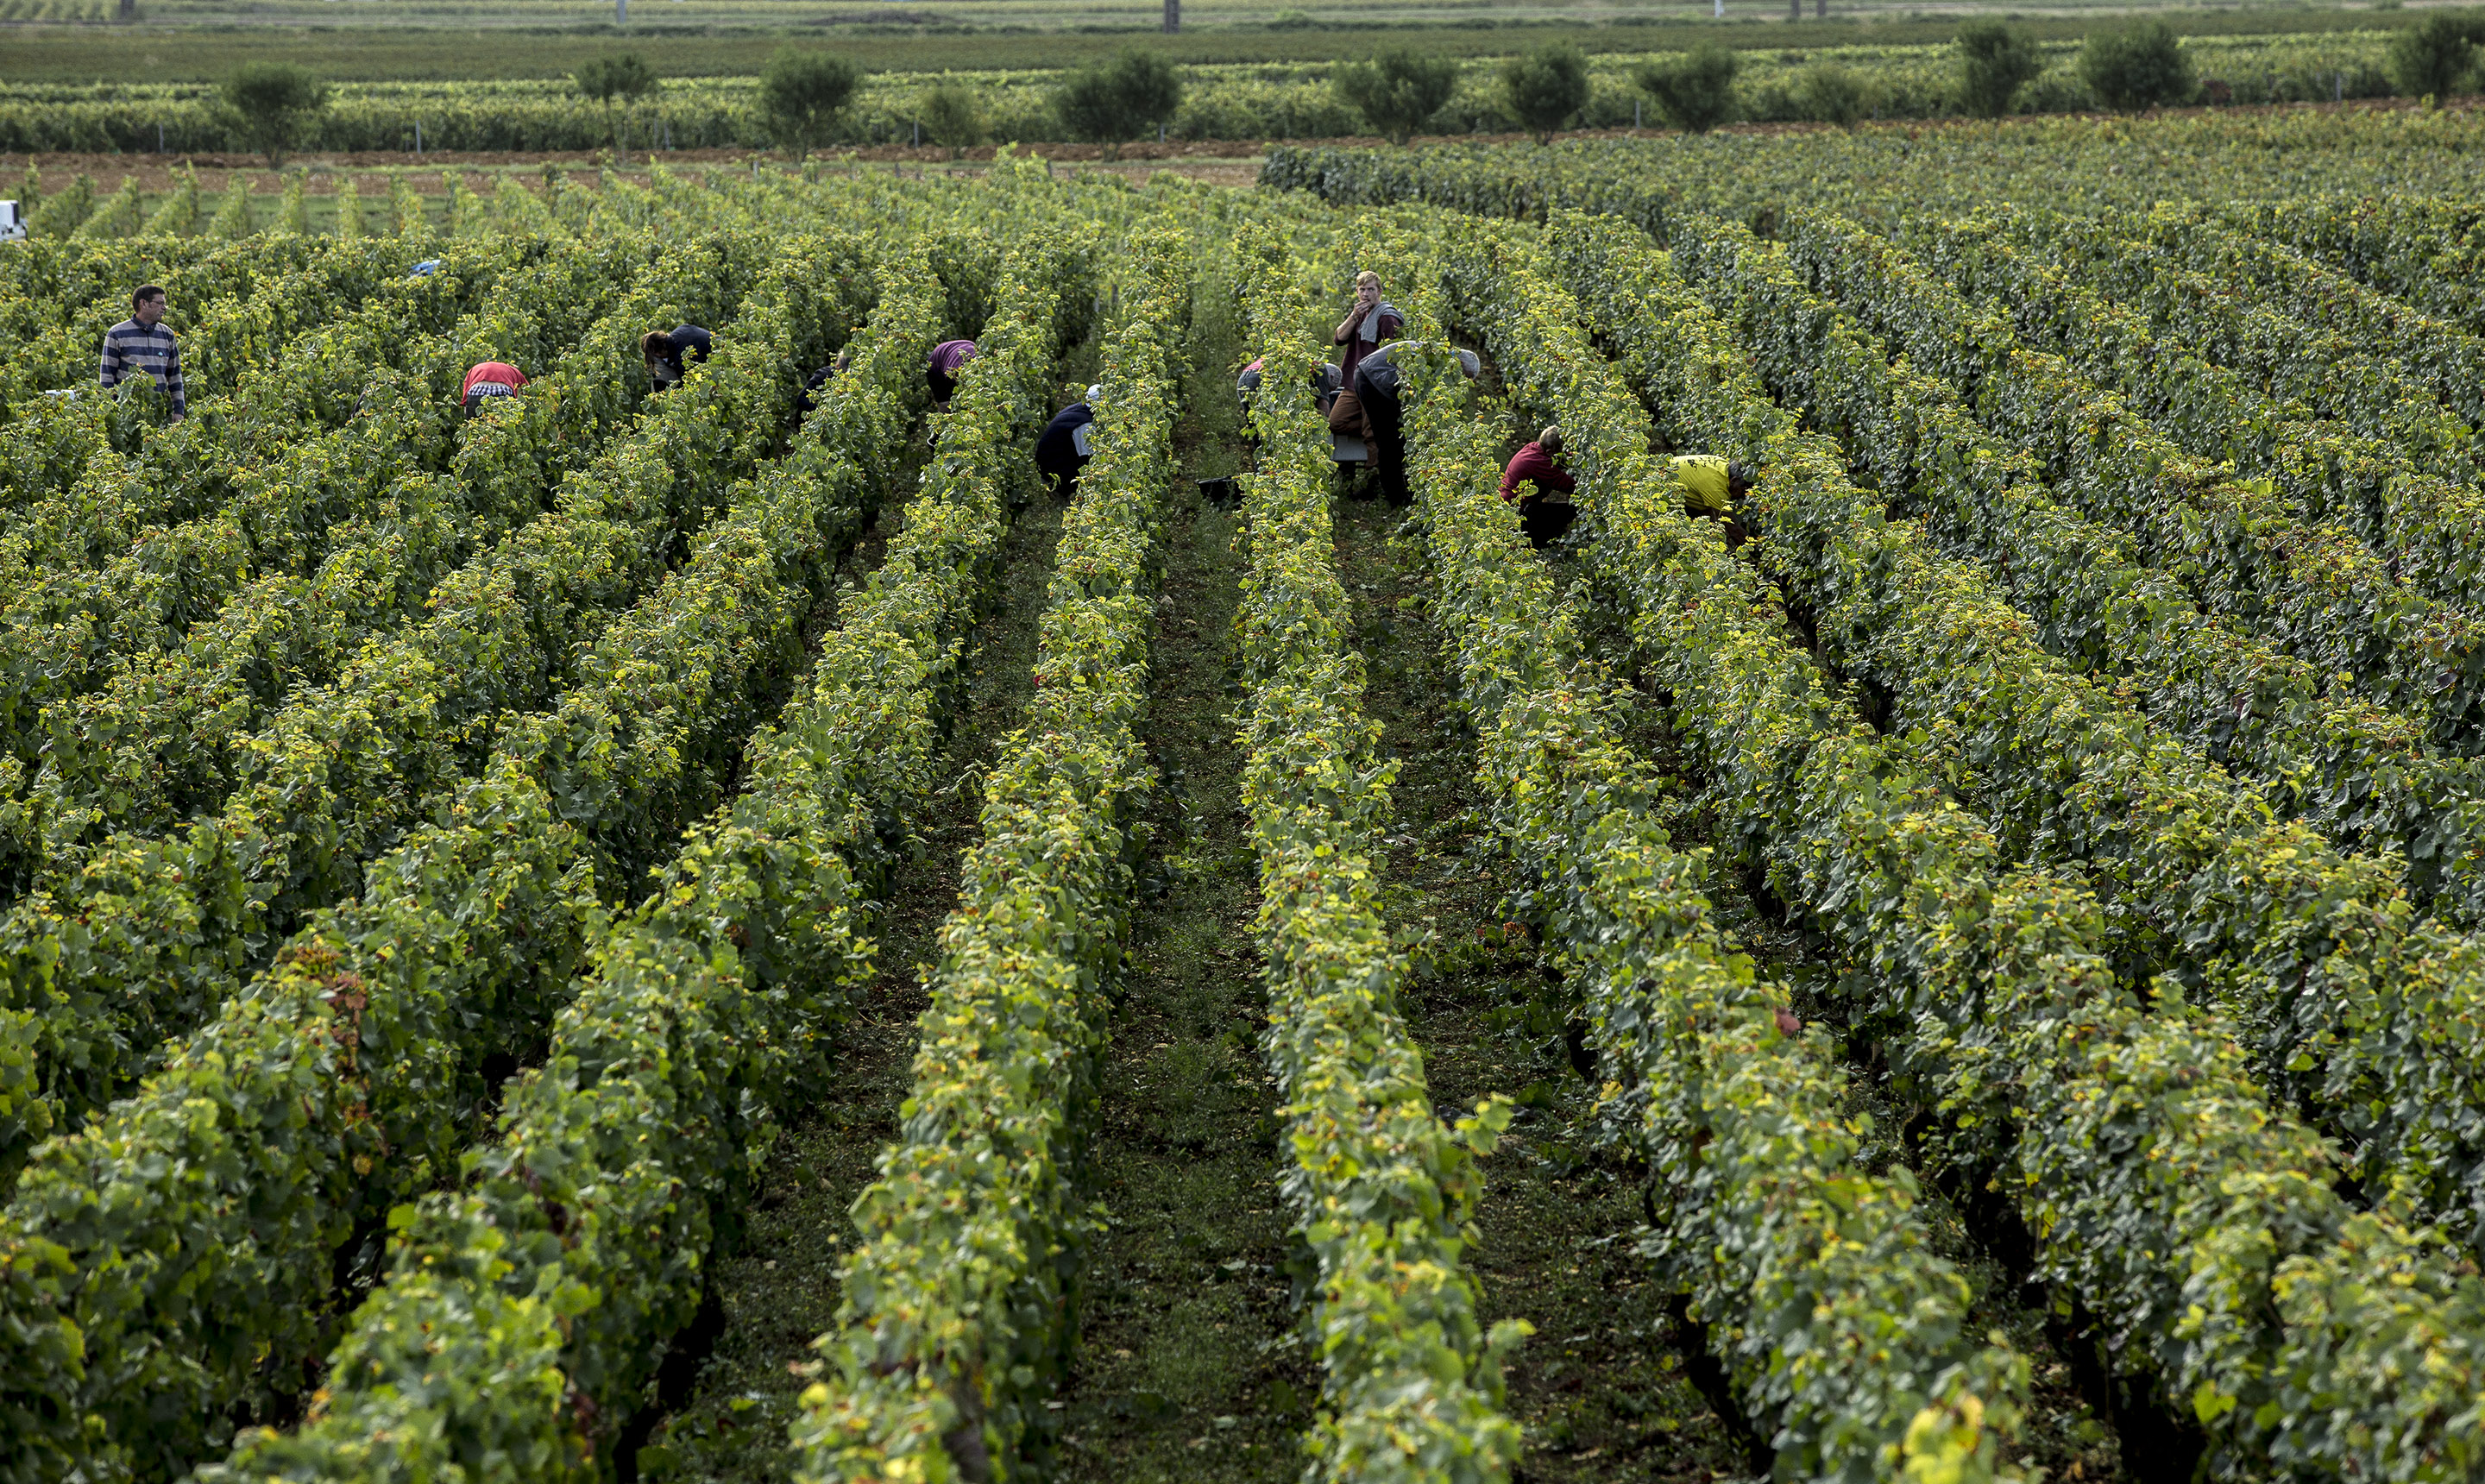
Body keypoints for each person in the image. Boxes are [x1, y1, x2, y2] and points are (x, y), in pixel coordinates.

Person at [1346, 341, 1478, 506]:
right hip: (1375, 379)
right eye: (1463, 376)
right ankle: (1395, 499)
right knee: (1390, 443)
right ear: (1461, 363)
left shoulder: (1441, 357)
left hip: (1371, 374)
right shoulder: (1437, 359)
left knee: (1395, 439)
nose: (1459, 381)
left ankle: (1396, 491)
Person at [1326, 272, 1402, 438]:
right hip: (1353, 381)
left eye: (1371, 289)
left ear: (1379, 291)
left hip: (1374, 383)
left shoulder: (1387, 317)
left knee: (1371, 433)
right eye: (1362, 290)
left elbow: (1393, 355)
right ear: (1357, 291)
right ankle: (1382, 427)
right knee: (1335, 422)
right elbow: (1339, 339)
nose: (1366, 294)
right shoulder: (1359, 316)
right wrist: (1353, 316)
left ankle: (1374, 457)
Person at [99, 284, 184, 418]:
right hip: (126, 414)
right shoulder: (117, 334)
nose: (164, 308)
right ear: (144, 304)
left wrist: (179, 411)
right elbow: (107, 377)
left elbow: (175, 377)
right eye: (159, 303)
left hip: (158, 414)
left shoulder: (167, 335)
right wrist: (111, 410)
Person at [1500, 425, 1577, 548]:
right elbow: (1569, 485)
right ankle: (1543, 547)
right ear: (1550, 452)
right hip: (1515, 513)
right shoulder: (1539, 463)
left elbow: (1561, 458)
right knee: (1569, 513)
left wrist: (1578, 457)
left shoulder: (1534, 447)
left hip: (1509, 505)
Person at [1035, 384, 1101, 500]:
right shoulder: (1085, 424)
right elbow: (1088, 457)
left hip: (1051, 461)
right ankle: (1060, 492)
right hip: (1054, 470)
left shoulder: (1081, 408)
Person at [641, 324, 714, 391]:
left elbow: (690, 383)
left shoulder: (682, 356)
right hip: (720, 346)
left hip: (717, 362)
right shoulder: (679, 331)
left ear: (659, 352)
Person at [460, 361, 526, 417]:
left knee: (474, 426)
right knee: (503, 426)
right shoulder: (515, 371)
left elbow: (465, 397)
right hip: (502, 391)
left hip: (477, 391)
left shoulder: (474, 368)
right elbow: (526, 396)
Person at [928, 338, 978, 409]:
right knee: (946, 405)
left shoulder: (982, 364)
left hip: (966, 344)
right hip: (936, 359)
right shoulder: (954, 375)